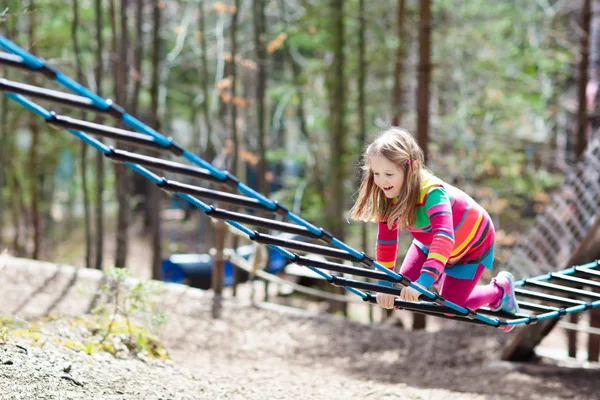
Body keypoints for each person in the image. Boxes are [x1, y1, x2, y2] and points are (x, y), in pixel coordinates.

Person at [349, 127, 519, 331]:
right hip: (428, 243)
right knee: (401, 286)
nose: (381, 181)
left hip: (472, 245)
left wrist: (424, 281)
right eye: (376, 173)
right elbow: (386, 241)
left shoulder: (431, 193)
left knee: (451, 307)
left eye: (388, 174)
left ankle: (499, 291)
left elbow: (444, 237)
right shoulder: (388, 196)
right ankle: (440, 274)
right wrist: (384, 285)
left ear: (410, 169)